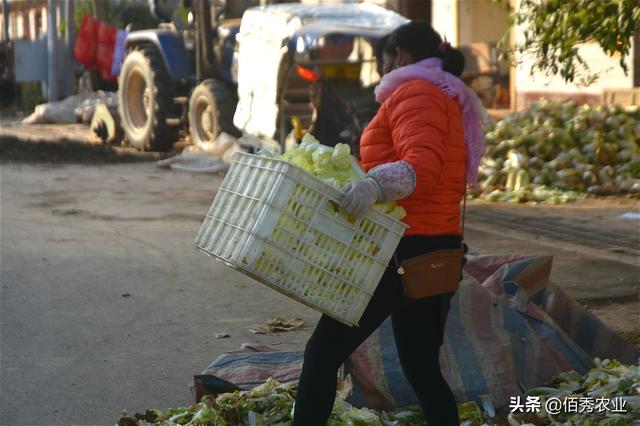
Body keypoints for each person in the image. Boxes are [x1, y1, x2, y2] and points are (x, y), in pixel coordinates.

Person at [293, 21, 487, 426]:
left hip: (402, 248)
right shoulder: (443, 93)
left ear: (398, 56)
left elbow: (424, 166)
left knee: (323, 352)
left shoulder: (417, 93)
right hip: (434, 248)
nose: (382, 70)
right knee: (420, 367)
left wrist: (372, 186)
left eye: (383, 61)